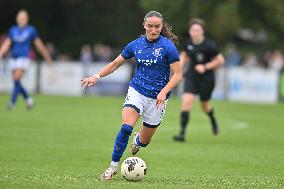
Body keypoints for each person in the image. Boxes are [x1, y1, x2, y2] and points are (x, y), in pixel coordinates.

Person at [81, 11, 182, 180]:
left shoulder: (168, 47)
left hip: (157, 99)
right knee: (126, 126)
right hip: (137, 91)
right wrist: (96, 76)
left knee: (144, 141)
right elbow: (114, 64)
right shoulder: (135, 45)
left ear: (161, 26)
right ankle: (112, 167)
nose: (153, 30)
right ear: (144, 26)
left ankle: (138, 140)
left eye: (157, 26)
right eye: (150, 26)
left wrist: (164, 92)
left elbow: (177, 74)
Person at [173, 18, 224, 142]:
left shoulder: (209, 45)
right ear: (190, 32)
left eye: (198, 30)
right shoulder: (188, 43)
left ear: (202, 31)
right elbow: (183, 56)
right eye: (193, 30)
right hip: (191, 76)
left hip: (207, 78)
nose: (195, 32)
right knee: (186, 102)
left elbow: (220, 60)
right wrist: (178, 67)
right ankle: (182, 134)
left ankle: (212, 119)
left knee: (204, 106)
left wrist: (205, 66)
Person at [0, 9, 52, 110]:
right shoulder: (13, 30)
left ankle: (12, 103)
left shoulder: (31, 30)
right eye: (20, 17)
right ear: (17, 19)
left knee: (16, 79)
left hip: (24, 59)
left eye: (24, 18)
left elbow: (39, 45)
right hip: (14, 59)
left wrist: (47, 57)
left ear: (27, 19)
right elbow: (7, 43)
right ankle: (28, 99)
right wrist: (1, 53)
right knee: (17, 82)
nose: (22, 19)